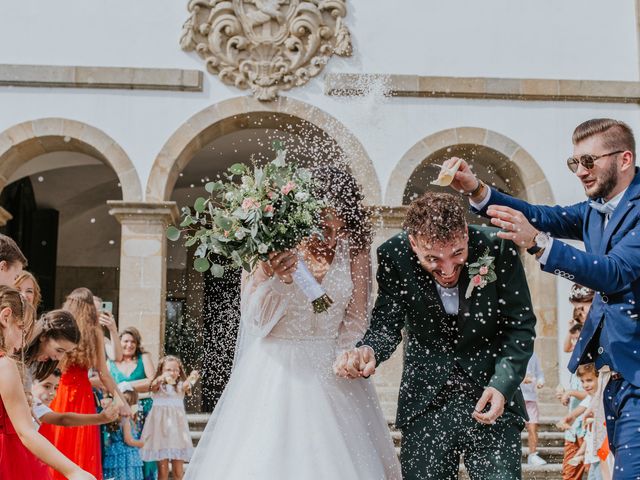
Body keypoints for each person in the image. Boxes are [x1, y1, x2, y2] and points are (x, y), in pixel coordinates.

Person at [447, 118, 640, 478]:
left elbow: (614, 273)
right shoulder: (595, 211)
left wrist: (538, 243)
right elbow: (539, 214)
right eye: (574, 163)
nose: (580, 172)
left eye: (589, 161)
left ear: (624, 159)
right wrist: (477, 191)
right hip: (616, 373)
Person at [184, 166, 401, 479]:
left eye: (335, 213)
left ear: (347, 213)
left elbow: (355, 318)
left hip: (334, 373)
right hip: (275, 371)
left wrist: (347, 353)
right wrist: (278, 279)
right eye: (320, 213)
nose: (327, 223)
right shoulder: (269, 246)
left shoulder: (354, 249)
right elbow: (256, 322)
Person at [335, 192, 536, 479]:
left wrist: (502, 384)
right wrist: (370, 350)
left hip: (492, 398)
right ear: (413, 243)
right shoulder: (395, 255)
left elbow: (520, 325)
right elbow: (386, 324)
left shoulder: (497, 248)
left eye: (457, 253)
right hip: (426, 403)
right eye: (433, 258)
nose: (447, 269)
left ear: (465, 233)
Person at [0, 285, 95, 480]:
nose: (21, 343)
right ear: (5, 316)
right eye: (21, 329)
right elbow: (26, 431)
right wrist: (74, 471)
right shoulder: (5, 365)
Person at [41, 287, 132, 480]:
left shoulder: (61, 328)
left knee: (56, 443)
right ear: (90, 308)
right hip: (82, 396)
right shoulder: (95, 332)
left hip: (59, 392)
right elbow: (105, 374)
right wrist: (122, 401)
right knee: (81, 447)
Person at [108, 326, 156, 480]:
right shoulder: (111, 361)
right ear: (118, 342)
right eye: (125, 341)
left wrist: (125, 385)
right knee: (122, 445)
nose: (129, 345)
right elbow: (106, 383)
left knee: (142, 445)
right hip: (118, 410)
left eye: (133, 342)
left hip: (143, 408)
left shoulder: (144, 357)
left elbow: (152, 382)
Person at [140, 355, 198, 480]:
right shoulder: (157, 387)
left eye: (176, 370)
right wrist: (161, 378)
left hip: (178, 433)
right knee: (163, 471)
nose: (173, 373)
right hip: (160, 432)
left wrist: (193, 375)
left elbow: (188, 384)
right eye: (169, 370)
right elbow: (152, 385)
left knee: (178, 472)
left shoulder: (180, 387)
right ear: (161, 370)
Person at [31, 369, 118, 429]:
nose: (52, 393)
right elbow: (64, 419)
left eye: (55, 388)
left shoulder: (38, 405)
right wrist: (100, 418)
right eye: (46, 386)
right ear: (30, 383)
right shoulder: (33, 403)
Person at [103, 385, 145, 480]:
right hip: (127, 457)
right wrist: (142, 443)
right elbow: (128, 440)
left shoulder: (115, 418)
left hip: (114, 454)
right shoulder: (126, 420)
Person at [522, 351, 546, 466]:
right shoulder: (513, 351)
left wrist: (540, 382)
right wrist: (521, 379)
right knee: (514, 426)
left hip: (530, 397)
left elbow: (539, 373)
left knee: (533, 426)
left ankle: (532, 455)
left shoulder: (533, 355)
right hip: (515, 397)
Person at [563, 284, 594, 353]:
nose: (583, 315)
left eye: (582, 308)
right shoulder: (581, 331)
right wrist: (570, 331)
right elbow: (567, 349)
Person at [93, 295, 123, 362]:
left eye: (99, 313)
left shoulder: (103, 339)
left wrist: (113, 330)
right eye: (93, 312)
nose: (96, 316)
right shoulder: (74, 334)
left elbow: (117, 357)